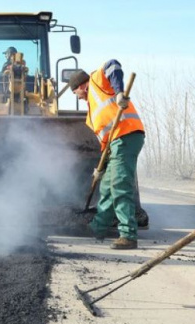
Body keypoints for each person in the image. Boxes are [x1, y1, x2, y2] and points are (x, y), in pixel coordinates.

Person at [69, 61, 145, 250]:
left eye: (75, 92)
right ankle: (98, 227)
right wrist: (100, 169)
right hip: (114, 144)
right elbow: (105, 141)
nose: (76, 97)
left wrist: (119, 92)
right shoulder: (91, 114)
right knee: (106, 187)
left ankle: (128, 235)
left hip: (127, 135)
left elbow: (113, 65)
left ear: (81, 86)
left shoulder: (96, 81)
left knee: (119, 185)